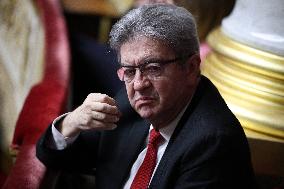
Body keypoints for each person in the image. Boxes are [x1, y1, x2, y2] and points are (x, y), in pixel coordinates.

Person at [36, 4, 257, 189]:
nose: (139, 84)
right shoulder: (131, 102)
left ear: (190, 68)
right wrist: (72, 122)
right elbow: (55, 156)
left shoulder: (213, 143)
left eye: (152, 68)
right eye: (129, 71)